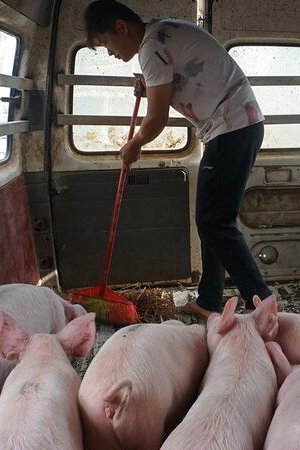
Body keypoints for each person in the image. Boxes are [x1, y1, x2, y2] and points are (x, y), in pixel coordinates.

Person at [84, 0, 273, 318]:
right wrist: (152, 86)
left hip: (232, 126)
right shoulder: (160, 34)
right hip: (236, 125)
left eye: (105, 44)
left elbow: (156, 120)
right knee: (211, 221)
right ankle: (210, 301)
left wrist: (135, 143)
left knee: (215, 222)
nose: (111, 53)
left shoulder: (150, 46)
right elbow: (174, 84)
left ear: (121, 26)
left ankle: (263, 303)